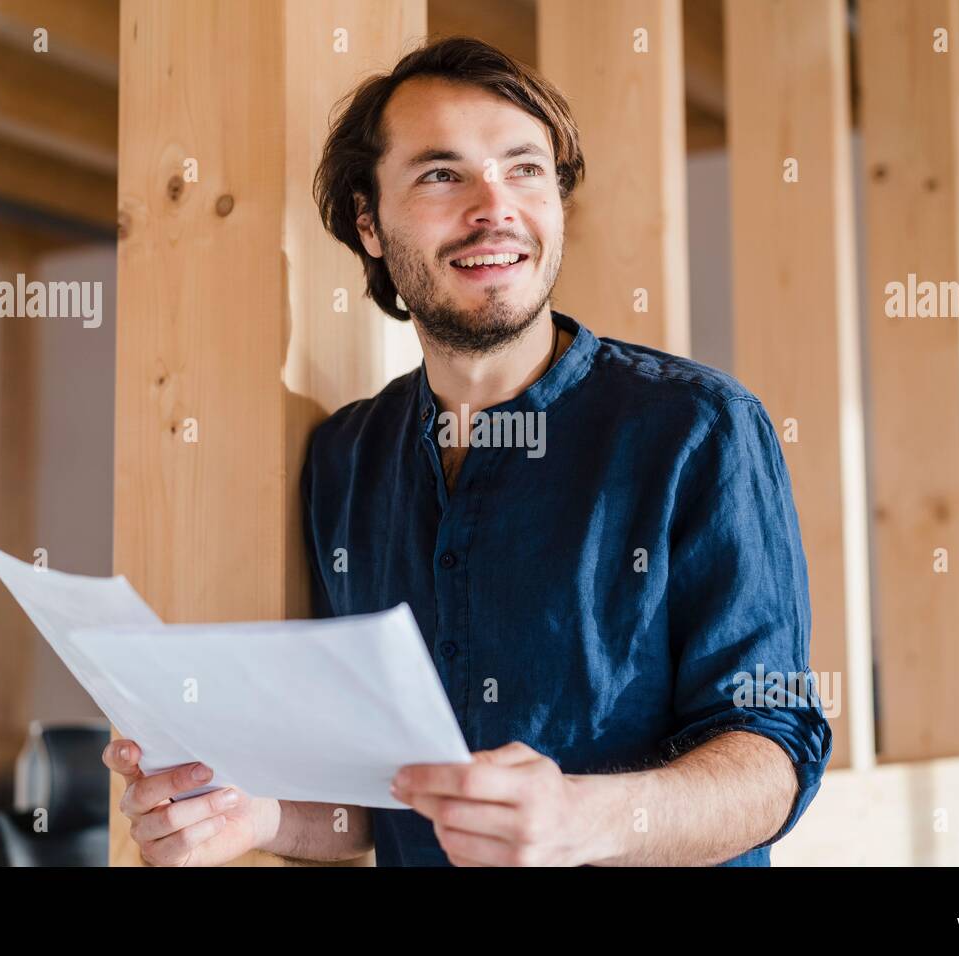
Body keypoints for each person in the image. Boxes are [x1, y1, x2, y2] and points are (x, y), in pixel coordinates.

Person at [105, 35, 831, 868]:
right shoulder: (343, 460)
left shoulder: (701, 428)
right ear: (369, 224)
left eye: (525, 169)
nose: (496, 207)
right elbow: (381, 806)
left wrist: (584, 817)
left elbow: (773, 755)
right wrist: (255, 816)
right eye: (443, 175)